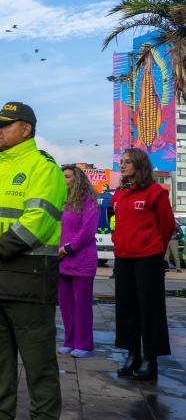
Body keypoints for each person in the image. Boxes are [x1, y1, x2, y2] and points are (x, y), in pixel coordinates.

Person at [0, 102, 66, 419]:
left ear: (26, 129)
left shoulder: (44, 168)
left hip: (28, 284)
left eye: (5, 124)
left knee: (40, 372)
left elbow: (37, 223)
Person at [112, 148, 174, 381]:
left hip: (148, 258)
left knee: (150, 309)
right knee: (126, 308)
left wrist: (154, 247)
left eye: (127, 162)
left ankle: (151, 359)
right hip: (123, 257)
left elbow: (167, 225)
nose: (122, 165)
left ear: (139, 164)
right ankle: (132, 354)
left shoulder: (155, 192)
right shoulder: (120, 193)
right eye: (121, 161)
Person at [58, 165, 99, 359]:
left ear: (78, 179)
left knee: (81, 305)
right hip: (61, 261)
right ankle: (70, 341)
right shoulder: (62, 201)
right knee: (66, 305)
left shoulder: (89, 200)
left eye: (67, 177)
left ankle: (85, 344)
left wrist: (67, 248)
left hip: (81, 260)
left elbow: (87, 231)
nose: (64, 180)